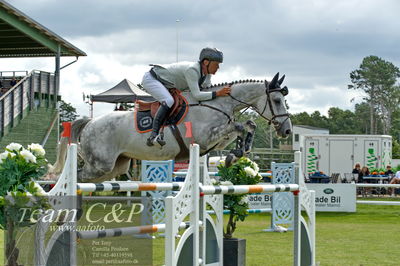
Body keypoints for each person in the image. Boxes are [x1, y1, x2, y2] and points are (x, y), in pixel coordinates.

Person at [141, 47, 231, 146]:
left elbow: (206, 90)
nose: (218, 67)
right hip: (152, 79)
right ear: (206, 62)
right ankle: (153, 135)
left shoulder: (206, 74)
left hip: (165, 83)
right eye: (216, 64)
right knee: (168, 100)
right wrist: (218, 93)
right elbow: (197, 95)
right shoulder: (192, 70)